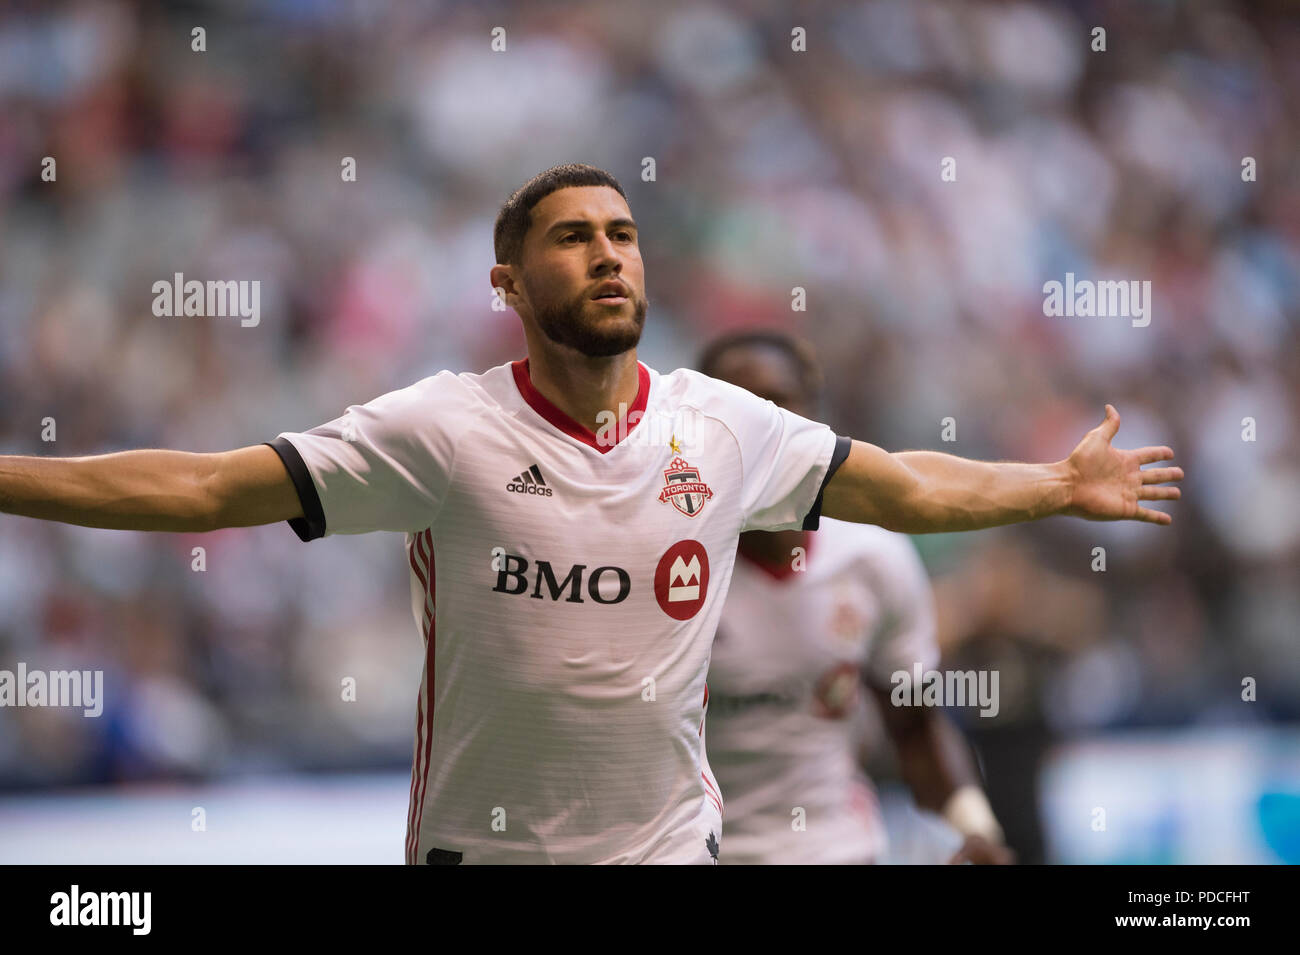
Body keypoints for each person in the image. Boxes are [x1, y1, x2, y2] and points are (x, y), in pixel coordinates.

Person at [0, 163, 1183, 864]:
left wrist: (1052, 488)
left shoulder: (724, 427)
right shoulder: (440, 429)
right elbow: (204, 486)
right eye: (573, 238)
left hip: (668, 849)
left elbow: (905, 484)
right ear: (508, 284)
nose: (608, 254)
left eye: (621, 235)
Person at [698, 330, 1013, 865]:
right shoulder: (673, 563)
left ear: (816, 426)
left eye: (777, 405)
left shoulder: (873, 559)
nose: (760, 430)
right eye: (738, 409)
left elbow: (915, 726)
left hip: (841, 851)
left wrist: (975, 830)